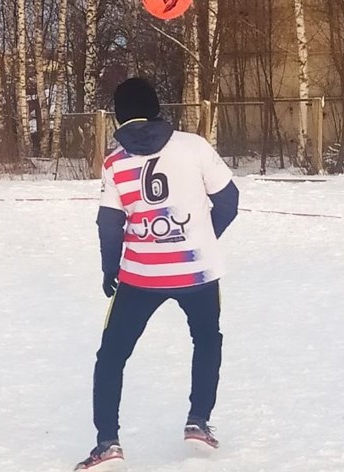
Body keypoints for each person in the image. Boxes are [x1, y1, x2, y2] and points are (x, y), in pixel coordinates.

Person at [75, 78, 239, 470]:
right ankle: (198, 421)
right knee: (206, 339)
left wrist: (109, 267)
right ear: (157, 107)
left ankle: (107, 443)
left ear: (118, 115)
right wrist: (201, 236)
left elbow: (109, 224)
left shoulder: (115, 162)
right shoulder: (193, 146)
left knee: (112, 355)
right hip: (198, 271)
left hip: (139, 276)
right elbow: (229, 201)